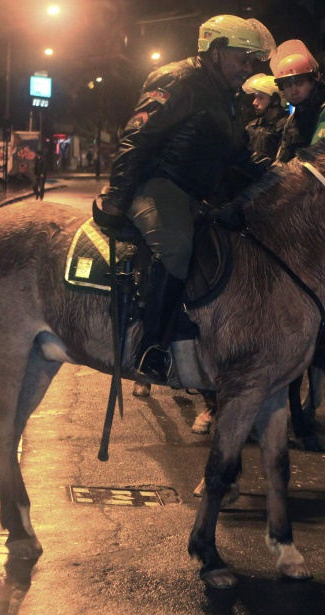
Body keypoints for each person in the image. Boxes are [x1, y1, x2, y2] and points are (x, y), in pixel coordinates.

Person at [92, 14, 274, 384]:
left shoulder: (228, 96)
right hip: (160, 185)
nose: (247, 68)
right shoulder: (179, 80)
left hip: (198, 194)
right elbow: (137, 138)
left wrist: (280, 172)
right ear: (218, 50)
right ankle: (150, 347)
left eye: (251, 62)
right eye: (243, 59)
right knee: (176, 248)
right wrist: (117, 198)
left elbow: (239, 154)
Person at [271, 40, 325, 163]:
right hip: (298, 180)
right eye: (288, 85)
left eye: (299, 83)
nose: (294, 91)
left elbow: (316, 159)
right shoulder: (293, 119)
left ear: (313, 82)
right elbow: (281, 160)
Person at [243, 73, 288, 161]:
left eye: (260, 98)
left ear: (275, 101)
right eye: (255, 97)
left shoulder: (287, 126)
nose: (254, 102)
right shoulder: (251, 125)